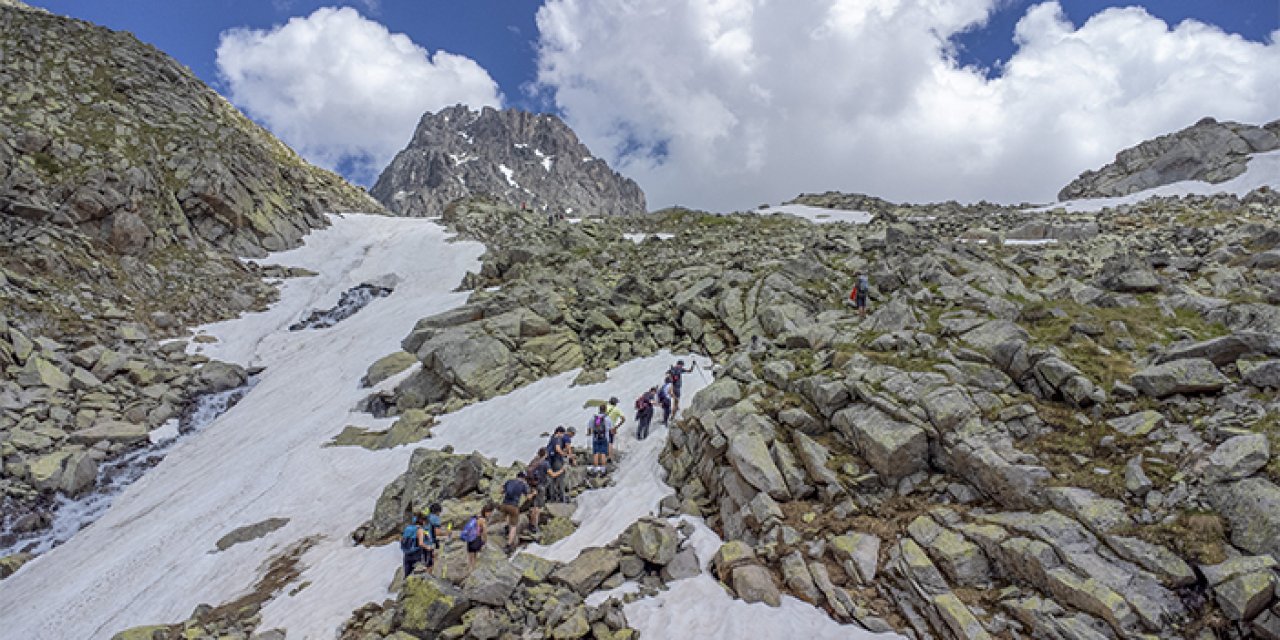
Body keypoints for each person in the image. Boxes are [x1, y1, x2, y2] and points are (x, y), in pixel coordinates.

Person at [501, 472, 531, 550]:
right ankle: (508, 545)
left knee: (507, 516)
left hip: (504, 504)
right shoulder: (523, 484)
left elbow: (502, 491)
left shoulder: (509, 481)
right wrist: (533, 493)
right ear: (524, 478)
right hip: (514, 506)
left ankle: (506, 527)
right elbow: (528, 497)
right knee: (514, 526)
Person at [462, 503, 493, 570]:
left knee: (470, 557)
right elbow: (485, 532)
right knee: (474, 558)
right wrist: (485, 541)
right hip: (476, 539)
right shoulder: (483, 520)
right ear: (486, 512)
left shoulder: (477, 517)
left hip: (470, 538)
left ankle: (469, 571)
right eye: (489, 512)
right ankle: (472, 572)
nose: (490, 514)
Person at [526, 449, 550, 531]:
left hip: (532, 485)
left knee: (534, 506)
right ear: (545, 454)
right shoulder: (544, 463)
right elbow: (551, 473)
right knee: (538, 507)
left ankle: (531, 524)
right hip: (540, 485)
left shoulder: (534, 461)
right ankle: (534, 526)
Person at [401, 514, 428, 578]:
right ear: (423, 521)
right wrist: (428, 547)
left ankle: (405, 586)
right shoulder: (420, 530)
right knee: (417, 574)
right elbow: (421, 543)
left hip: (407, 554)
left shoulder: (408, 528)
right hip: (416, 554)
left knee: (407, 574)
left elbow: (402, 539)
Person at [588, 406, 613, 475]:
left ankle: (595, 470)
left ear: (599, 410)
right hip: (605, 438)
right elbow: (611, 430)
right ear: (605, 410)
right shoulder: (607, 418)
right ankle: (603, 470)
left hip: (595, 438)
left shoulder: (593, 418)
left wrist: (589, 434)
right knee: (603, 453)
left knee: (596, 453)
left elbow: (589, 429)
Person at [423, 503, 445, 576]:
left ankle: (425, 575)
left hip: (421, 541)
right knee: (431, 561)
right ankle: (428, 576)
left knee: (426, 560)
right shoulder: (435, 518)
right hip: (429, 542)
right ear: (438, 511)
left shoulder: (426, 517)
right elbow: (436, 532)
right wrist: (447, 533)